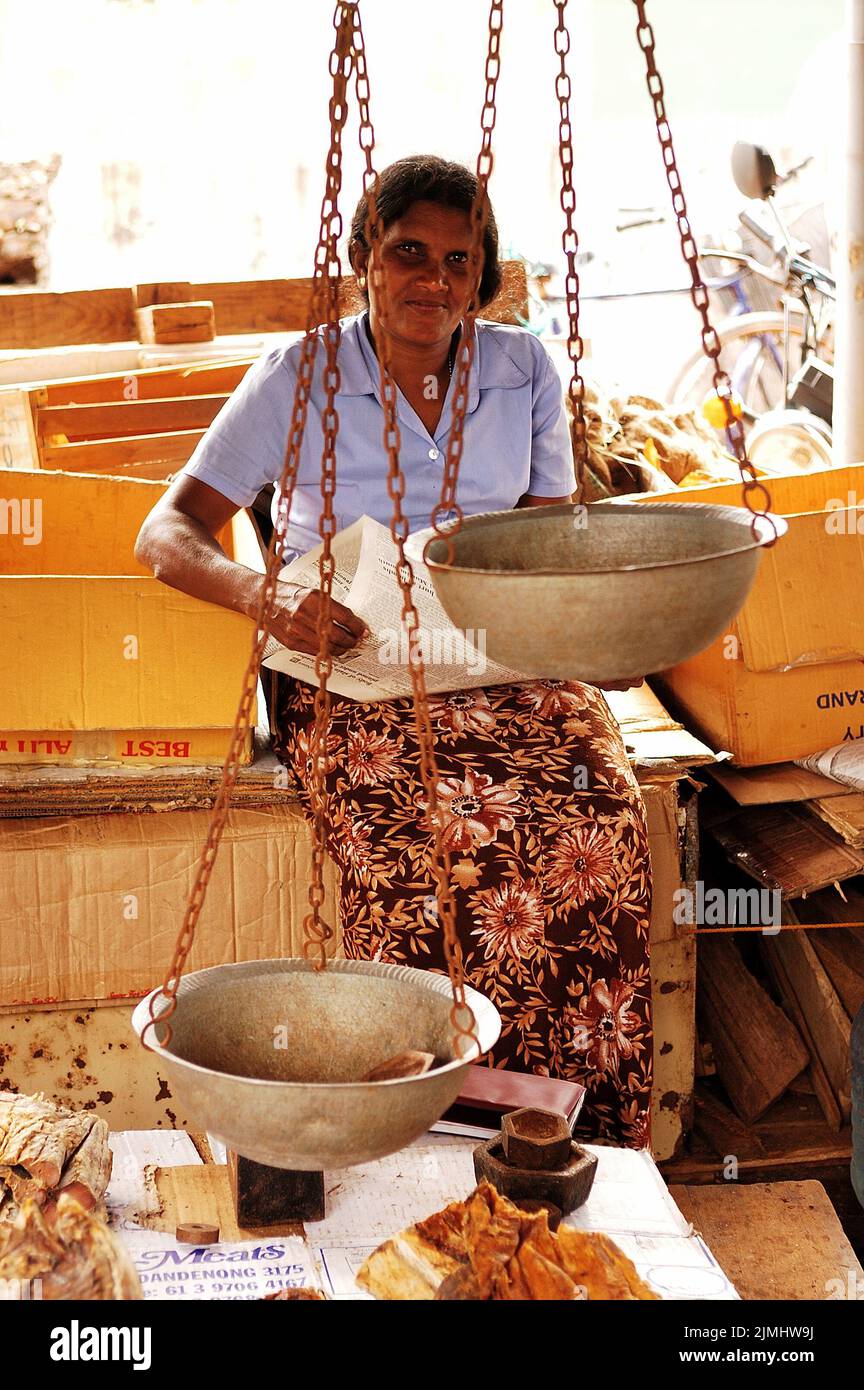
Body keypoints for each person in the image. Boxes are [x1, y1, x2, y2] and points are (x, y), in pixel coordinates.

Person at [135, 155, 653, 1146]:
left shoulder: (523, 369)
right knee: (419, 846)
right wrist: (265, 596)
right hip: (350, 664)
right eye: (408, 250)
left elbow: (549, 539)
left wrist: (598, 632)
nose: (434, 279)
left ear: (481, 277)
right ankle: (417, 1123)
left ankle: (566, 1133)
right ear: (364, 258)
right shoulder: (298, 374)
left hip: (498, 654)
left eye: (459, 261)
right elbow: (166, 531)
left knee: (595, 816)